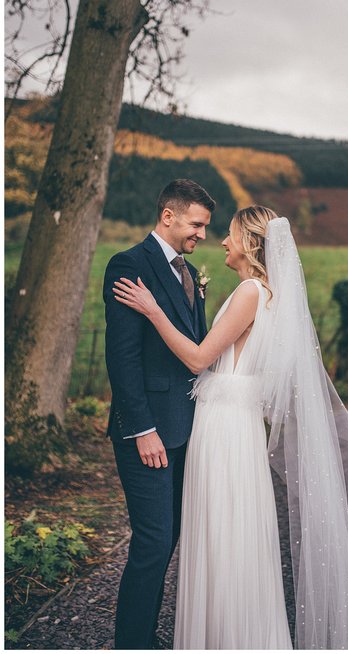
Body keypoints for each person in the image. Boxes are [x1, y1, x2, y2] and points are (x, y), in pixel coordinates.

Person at [113, 206, 348, 649]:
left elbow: (198, 359)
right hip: (238, 427)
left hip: (223, 431)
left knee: (222, 534)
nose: (221, 241)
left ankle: (223, 638)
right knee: (234, 533)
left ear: (250, 244)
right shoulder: (272, 296)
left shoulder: (251, 292)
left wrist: (154, 311)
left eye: (230, 235)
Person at [104, 179, 215, 649]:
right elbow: (122, 357)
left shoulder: (187, 272)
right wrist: (142, 428)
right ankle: (132, 643)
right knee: (152, 541)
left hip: (186, 429)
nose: (202, 234)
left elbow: (194, 345)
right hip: (148, 433)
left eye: (206, 226)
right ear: (168, 216)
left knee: (168, 539)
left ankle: (145, 636)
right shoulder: (129, 264)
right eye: (196, 224)